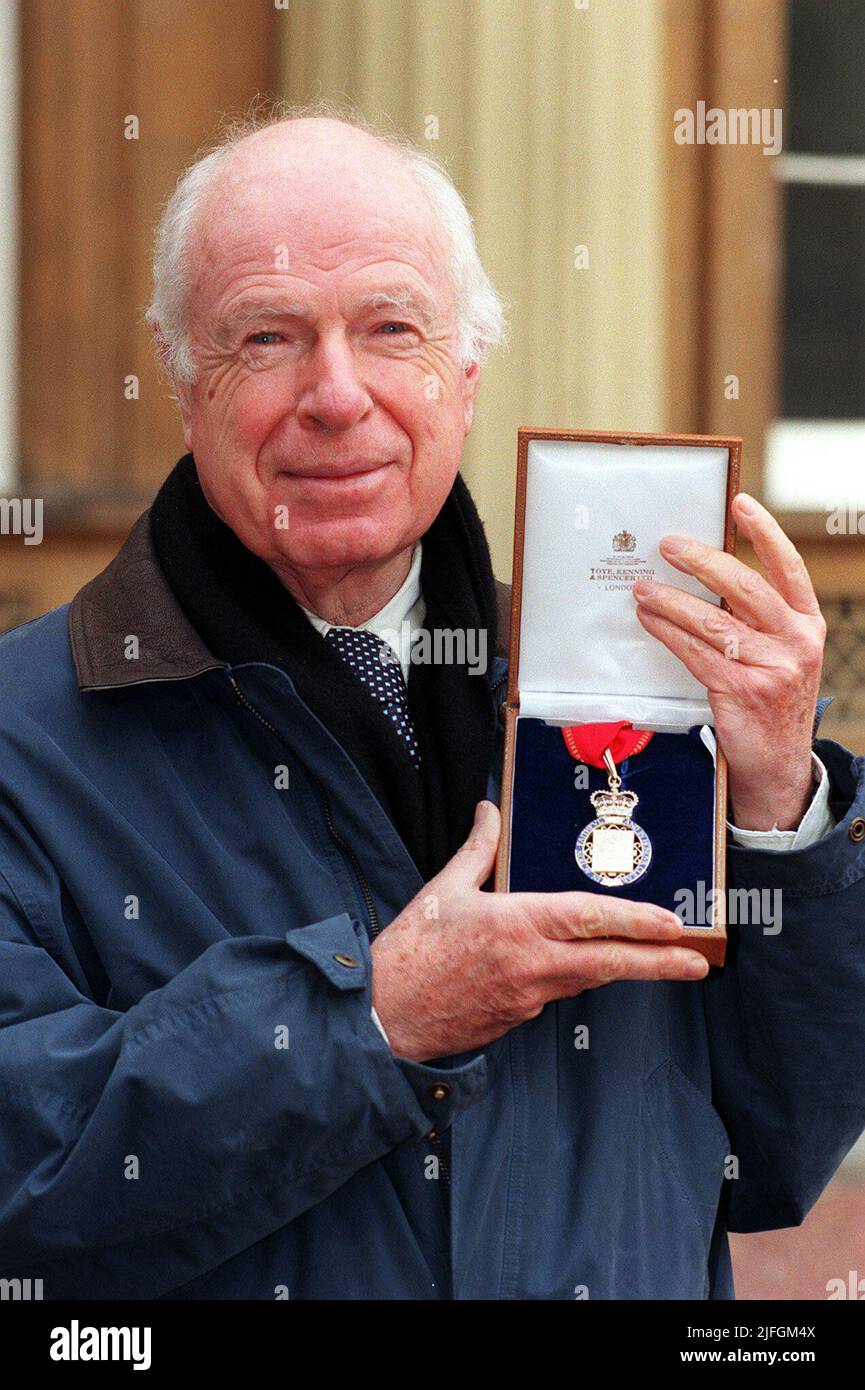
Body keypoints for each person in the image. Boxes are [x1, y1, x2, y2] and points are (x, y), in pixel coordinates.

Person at [1, 109, 863, 1300]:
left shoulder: (634, 690)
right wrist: (373, 1018)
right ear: (182, 378)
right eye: (267, 337)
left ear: (464, 370)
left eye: (390, 328)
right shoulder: (24, 740)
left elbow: (765, 1153)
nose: (337, 394)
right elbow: (23, 1184)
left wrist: (780, 817)